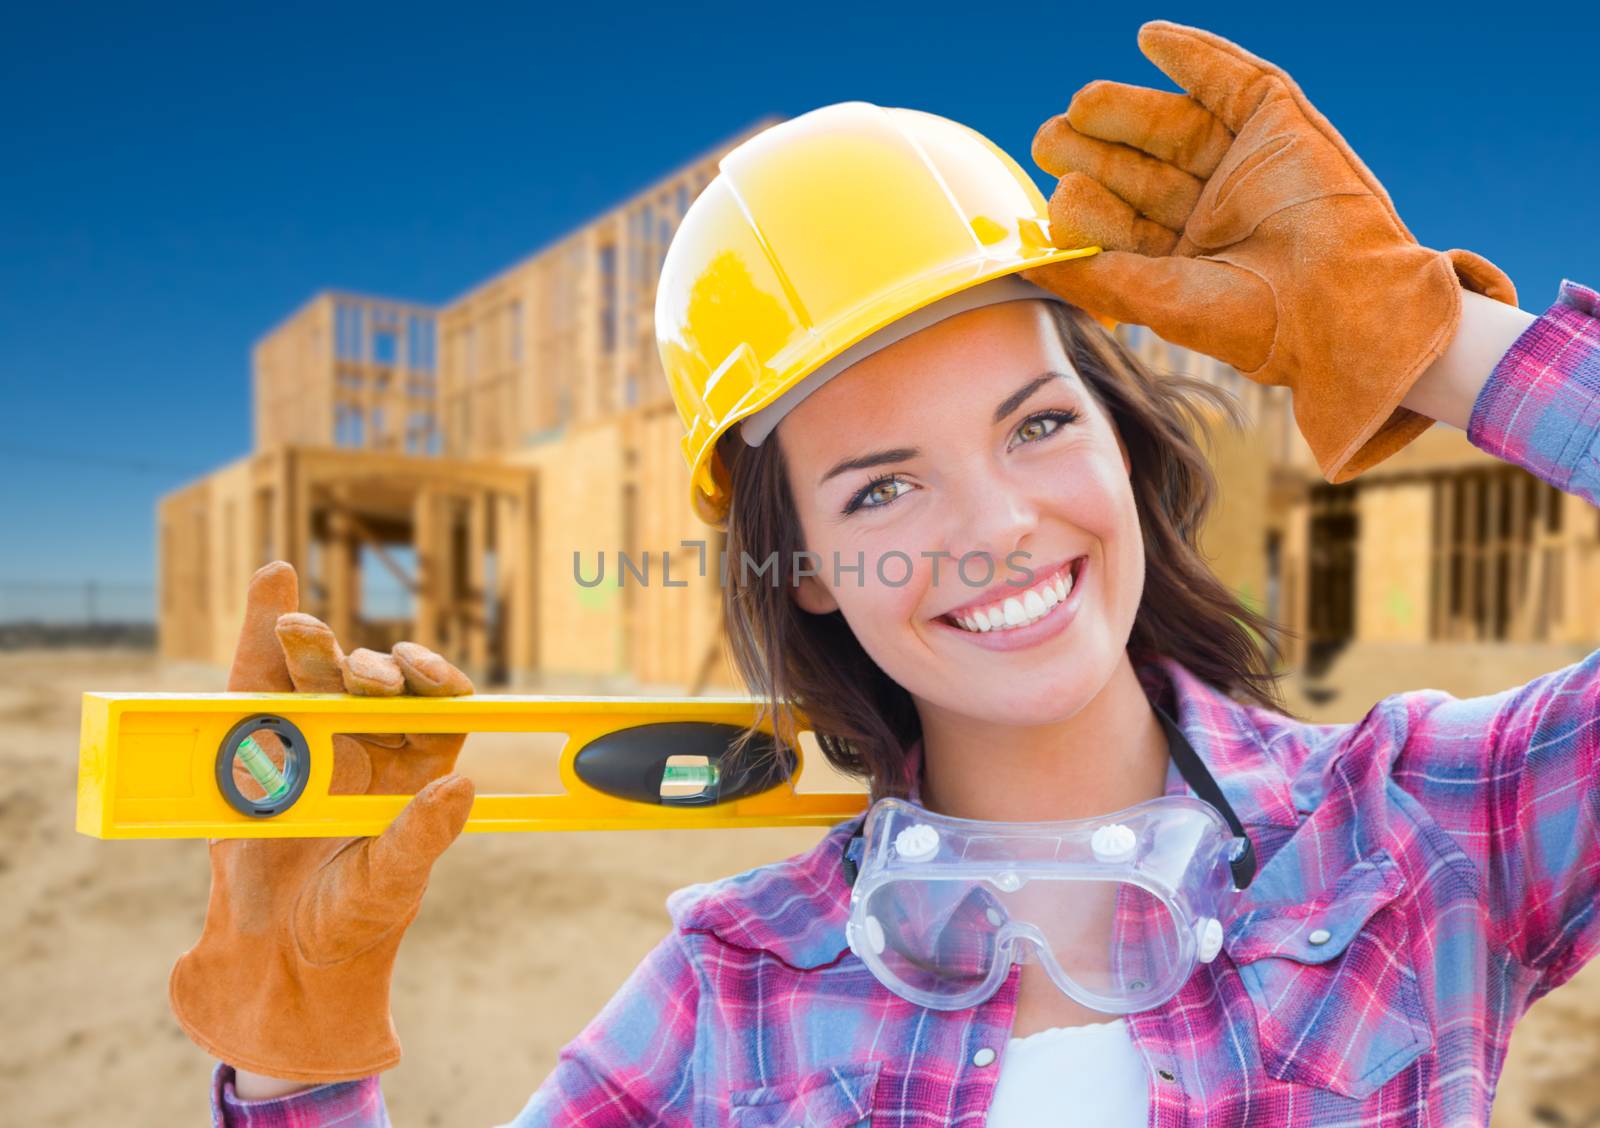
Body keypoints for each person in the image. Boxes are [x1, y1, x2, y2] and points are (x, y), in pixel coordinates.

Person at [177, 20, 1600, 1126]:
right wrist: (301, 1056)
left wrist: (1424, 338)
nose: (993, 526)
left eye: (1038, 423)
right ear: (804, 568)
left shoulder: (1418, 833)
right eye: (884, 485)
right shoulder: (738, 993)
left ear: (1120, 438)